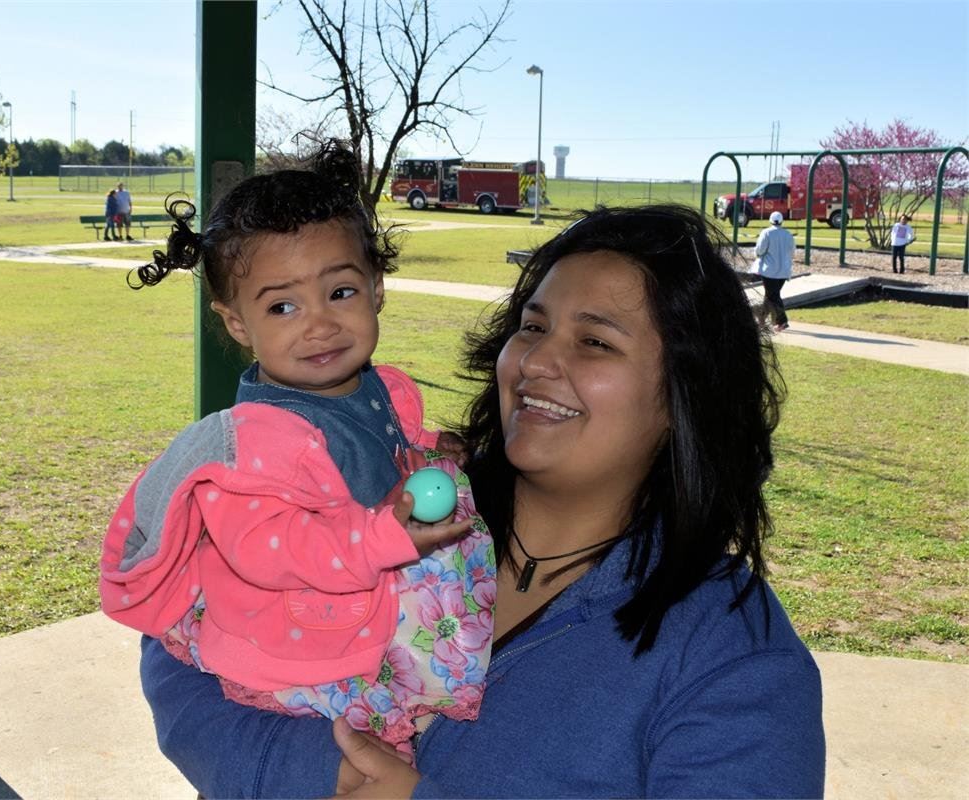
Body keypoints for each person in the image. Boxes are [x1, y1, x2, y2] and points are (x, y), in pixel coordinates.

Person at [135, 202, 825, 798]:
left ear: (685, 396)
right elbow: (182, 631)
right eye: (532, 326)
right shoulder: (402, 498)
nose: (535, 362)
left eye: (593, 341)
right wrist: (301, 772)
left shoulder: (731, 655)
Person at [100, 140, 493, 746]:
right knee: (359, 761)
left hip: (372, 602)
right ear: (238, 323)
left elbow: (383, 443)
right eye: (283, 306)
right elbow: (266, 545)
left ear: (376, 288)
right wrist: (377, 536)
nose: (319, 324)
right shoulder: (258, 438)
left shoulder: (373, 387)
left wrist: (436, 448)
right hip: (310, 653)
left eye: (340, 292)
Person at [751, 210, 795, 333]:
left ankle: (782, 321)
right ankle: (761, 320)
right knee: (770, 295)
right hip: (784, 271)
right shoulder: (788, 235)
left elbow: (760, 250)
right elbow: (792, 253)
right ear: (782, 221)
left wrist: (756, 253)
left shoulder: (766, 233)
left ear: (770, 220)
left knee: (773, 296)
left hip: (769, 270)